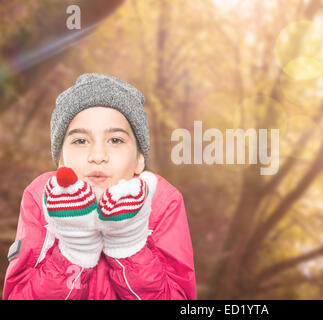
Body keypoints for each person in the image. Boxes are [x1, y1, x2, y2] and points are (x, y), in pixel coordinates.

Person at [2, 73, 197, 300]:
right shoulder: (41, 198)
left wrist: (128, 246)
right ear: (61, 160)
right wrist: (74, 251)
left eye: (115, 140)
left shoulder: (161, 202)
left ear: (139, 160)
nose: (97, 155)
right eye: (80, 141)